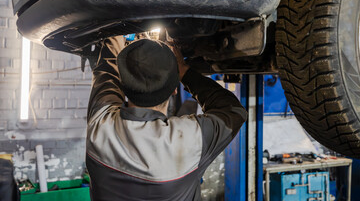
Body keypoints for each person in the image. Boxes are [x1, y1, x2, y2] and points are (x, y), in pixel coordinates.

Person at [86, 36, 247, 200]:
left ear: (123, 87)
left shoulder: (100, 127)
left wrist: (116, 31)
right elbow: (233, 110)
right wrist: (184, 72)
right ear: (174, 90)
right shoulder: (190, 139)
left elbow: (106, 73)